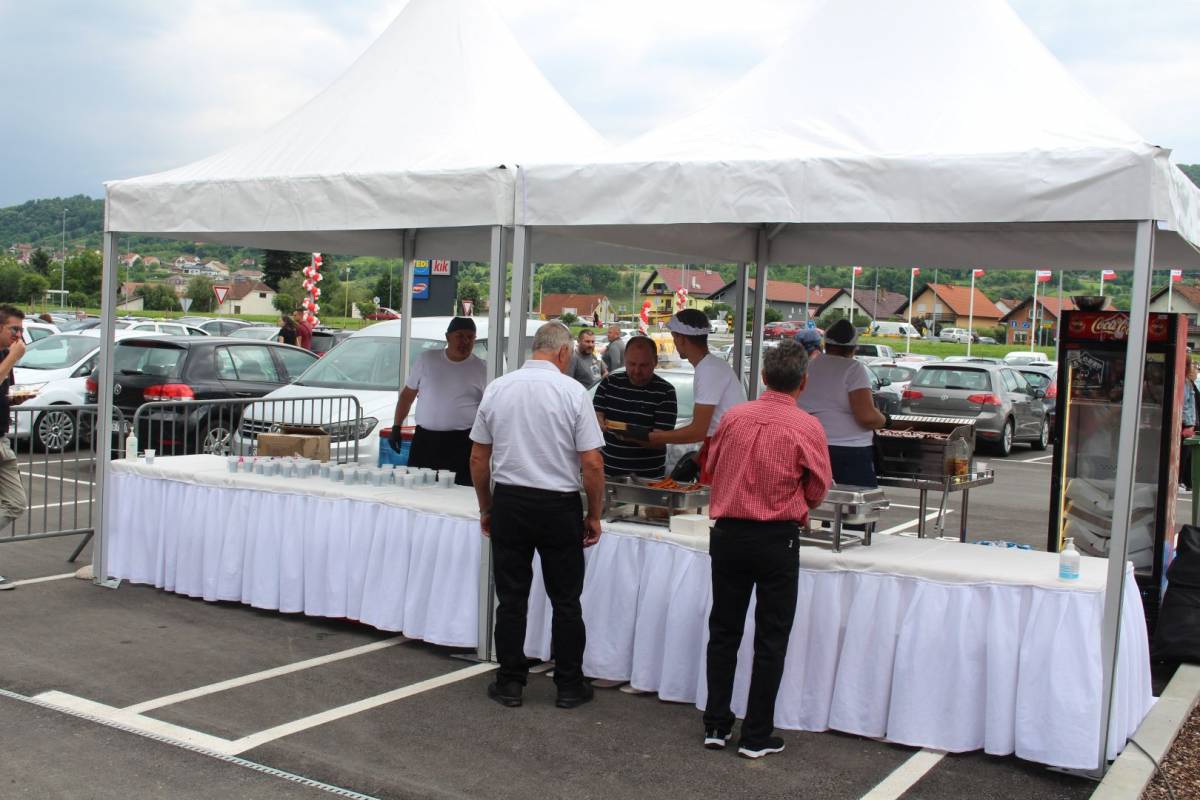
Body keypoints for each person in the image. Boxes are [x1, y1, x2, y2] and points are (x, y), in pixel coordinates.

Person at [702, 340, 831, 758]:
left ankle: (716, 723)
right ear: (803, 382)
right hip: (777, 537)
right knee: (771, 637)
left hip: (729, 533)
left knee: (724, 630)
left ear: (762, 377)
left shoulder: (734, 417)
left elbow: (710, 468)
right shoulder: (806, 426)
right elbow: (818, 488)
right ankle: (756, 734)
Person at [469, 322, 606, 710]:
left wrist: (486, 506)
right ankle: (569, 684)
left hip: (511, 500)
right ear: (562, 352)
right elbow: (592, 463)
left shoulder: (499, 388)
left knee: (511, 598)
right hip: (558, 504)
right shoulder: (572, 392)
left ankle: (510, 682)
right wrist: (594, 514)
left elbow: (478, 457)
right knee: (566, 600)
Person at [621, 309, 745, 483]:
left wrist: (652, 437)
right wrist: (695, 460)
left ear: (680, 338)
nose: (675, 343)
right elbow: (713, 427)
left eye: (674, 338)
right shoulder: (712, 366)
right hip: (721, 447)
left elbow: (698, 431)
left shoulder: (708, 370)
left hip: (726, 452)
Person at [390, 317, 485, 486]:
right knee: (418, 489)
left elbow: (488, 408)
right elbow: (407, 396)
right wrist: (396, 427)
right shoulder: (426, 360)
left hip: (463, 443)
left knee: (459, 491)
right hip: (425, 441)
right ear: (448, 337)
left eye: (470, 337)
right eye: (460, 336)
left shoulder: (482, 368)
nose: (465, 341)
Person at [798, 318, 886, 487]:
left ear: (825, 344)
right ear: (853, 348)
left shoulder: (808, 367)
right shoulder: (853, 368)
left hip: (810, 447)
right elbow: (867, 417)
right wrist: (884, 420)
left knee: (817, 499)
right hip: (848, 451)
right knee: (852, 500)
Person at [592, 336, 677, 477]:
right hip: (608, 474)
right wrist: (599, 422)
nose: (637, 370)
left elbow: (660, 441)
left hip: (647, 478)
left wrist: (631, 435)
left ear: (655, 362)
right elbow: (596, 413)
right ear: (625, 360)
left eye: (643, 365)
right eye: (631, 364)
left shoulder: (665, 392)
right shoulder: (609, 383)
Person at [0, 305, 28, 590]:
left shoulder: (6, 356)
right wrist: (12, 357)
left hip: (2, 440)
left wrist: (15, 399)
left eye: (21, 329)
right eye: (13, 329)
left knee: (15, 503)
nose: (18, 335)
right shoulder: (8, 356)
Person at [1181, 359, 1199, 492]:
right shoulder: (1186, 383)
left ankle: (1185, 481)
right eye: (1193, 365)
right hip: (1187, 423)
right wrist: (1190, 423)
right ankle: (1181, 481)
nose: (1196, 368)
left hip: (1190, 423)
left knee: (1187, 454)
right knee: (1185, 453)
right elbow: (1185, 405)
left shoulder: (1189, 383)